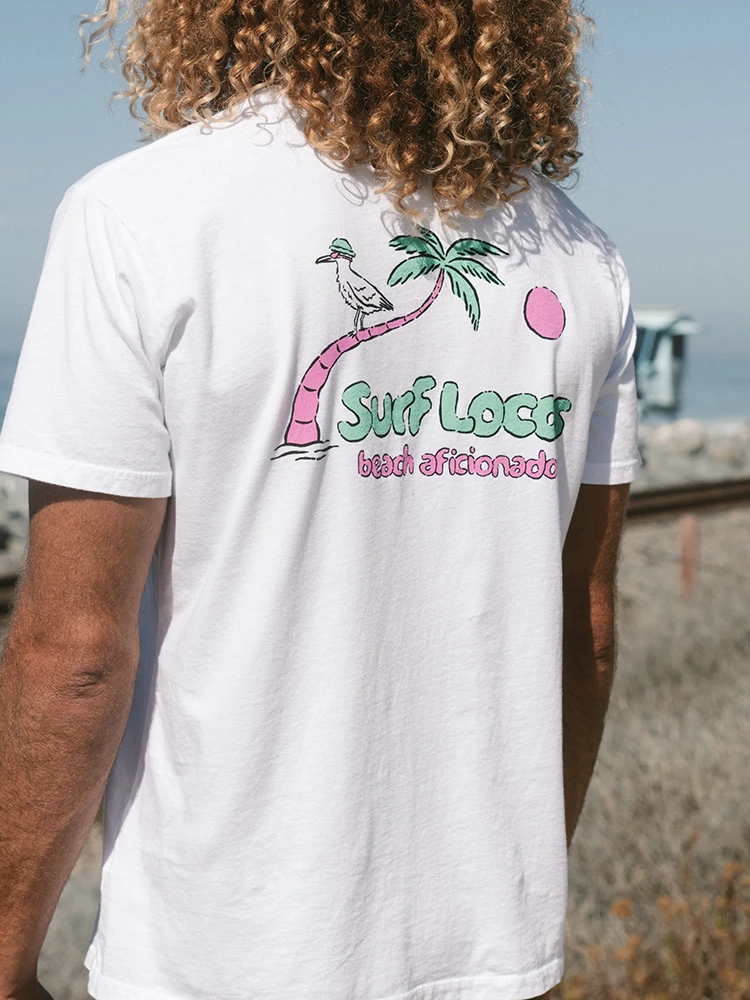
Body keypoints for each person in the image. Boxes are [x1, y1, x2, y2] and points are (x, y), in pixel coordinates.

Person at [0, 1, 640, 999]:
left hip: (227, 955)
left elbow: (76, 650)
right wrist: (508, 915)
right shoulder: (580, 257)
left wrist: (6, 958)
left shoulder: (141, 217)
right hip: (492, 959)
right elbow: (584, 629)